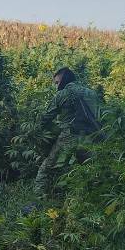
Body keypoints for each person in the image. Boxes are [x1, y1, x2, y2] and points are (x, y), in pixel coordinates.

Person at [34, 67, 101, 196]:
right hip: (91, 137)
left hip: (69, 136)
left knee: (47, 168)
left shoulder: (62, 94)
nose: (56, 86)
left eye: (57, 82)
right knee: (91, 169)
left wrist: (36, 132)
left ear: (64, 80)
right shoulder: (91, 93)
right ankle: (93, 198)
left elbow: (46, 117)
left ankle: (38, 198)